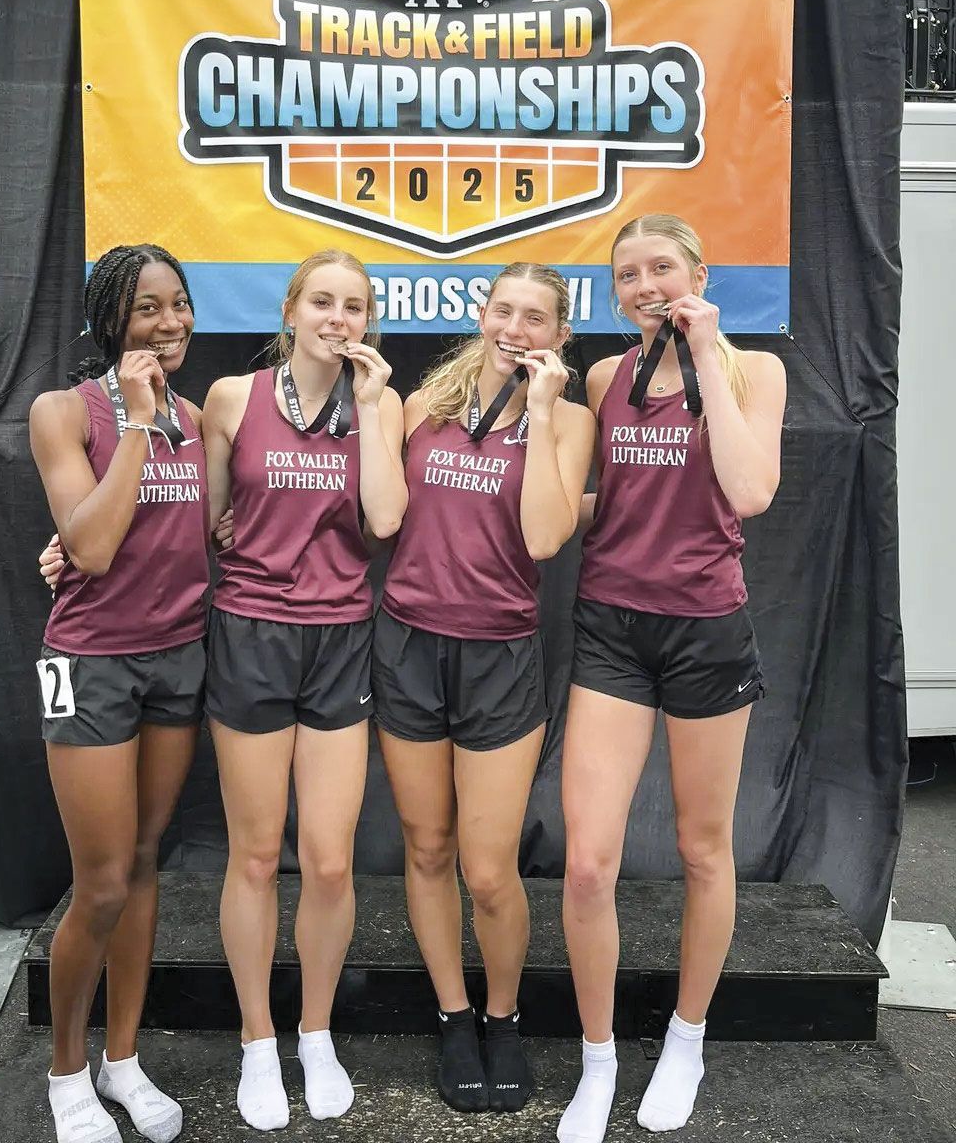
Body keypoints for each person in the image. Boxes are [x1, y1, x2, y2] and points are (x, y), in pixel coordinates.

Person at [556, 214, 786, 1143]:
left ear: (699, 273)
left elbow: (750, 491)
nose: (646, 285)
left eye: (662, 268)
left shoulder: (753, 371)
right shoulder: (604, 378)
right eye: (628, 275)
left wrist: (703, 356)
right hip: (612, 627)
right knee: (586, 862)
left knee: (701, 849)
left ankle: (687, 1039)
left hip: (706, 630)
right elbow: (603, 500)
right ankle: (598, 1058)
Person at [372, 262, 595, 1115]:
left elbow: (544, 538)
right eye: (504, 310)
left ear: (560, 335)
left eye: (536, 318)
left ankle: (504, 1017)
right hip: (409, 645)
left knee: (490, 869)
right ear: (482, 313)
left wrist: (539, 413)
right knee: (427, 849)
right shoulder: (425, 404)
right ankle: (454, 1016)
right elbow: (370, 508)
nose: (516, 329)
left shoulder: (571, 420)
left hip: (500, 655)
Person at [201, 248, 407, 1132]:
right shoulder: (231, 399)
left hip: (339, 637)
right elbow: (201, 521)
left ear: (368, 322)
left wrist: (374, 407)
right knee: (255, 856)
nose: (337, 318)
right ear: (289, 310)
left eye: (353, 306)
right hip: (250, 633)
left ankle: (314, 1033)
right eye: (322, 301)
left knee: (327, 860)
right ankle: (257, 1041)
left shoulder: (381, 404)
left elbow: (386, 519)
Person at [29, 243, 209, 1143]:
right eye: (147, 308)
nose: (169, 323)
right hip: (92, 661)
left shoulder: (197, 417)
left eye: (178, 304)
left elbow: (211, 530)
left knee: (142, 864)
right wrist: (136, 425)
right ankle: (66, 1073)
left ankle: (124, 1060)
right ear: (111, 320)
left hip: (177, 656)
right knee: (99, 884)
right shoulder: (65, 411)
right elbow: (93, 548)